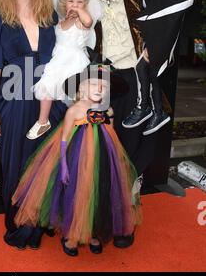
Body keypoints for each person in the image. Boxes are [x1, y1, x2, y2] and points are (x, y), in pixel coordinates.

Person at [0, 0, 67, 249]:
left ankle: (41, 222)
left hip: (50, 103)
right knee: (16, 165)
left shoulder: (50, 16)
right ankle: (20, 226)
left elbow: (66, 56)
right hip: (14, 101)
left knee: (46, 164)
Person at [12, 60, 142, 256]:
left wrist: (116, 161)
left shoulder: (109, 111)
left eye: (104, 85)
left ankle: (94, 233)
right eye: (93, 83)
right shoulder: (73, 111)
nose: (99, 87)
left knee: (99, 192)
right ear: (82, 86)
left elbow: (112, 137)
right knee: (78, 193)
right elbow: (63, 140)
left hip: (102, 159)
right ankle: (71, 235)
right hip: (77, 158)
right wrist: (64, 165)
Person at [75, 0, 158, 174]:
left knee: (132, 144)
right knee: (98, 147)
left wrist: (156, 51)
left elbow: (164, 28)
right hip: (100, 81)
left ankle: (128, 192)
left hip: (135, 78)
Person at [122, 0, 199, 135]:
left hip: (164, 38)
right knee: (149, 71)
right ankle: (155, 110)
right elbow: (154, 10)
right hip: (156, 37)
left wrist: (154, 44)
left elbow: (172, 10)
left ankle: (149, 109)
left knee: (147, 69)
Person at [26, 0, 101, 140]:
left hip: (75, 61)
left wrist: (80, 11)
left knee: (77, 94)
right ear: (63, 3)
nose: (74, 5)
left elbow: (89, 21)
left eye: (80, 2)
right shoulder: (61, 22)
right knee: (46, 85)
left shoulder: (83, 21)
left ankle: (81, 121)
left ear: (85, 4)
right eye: (71, 1)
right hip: (58, 60)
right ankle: (43, 121)